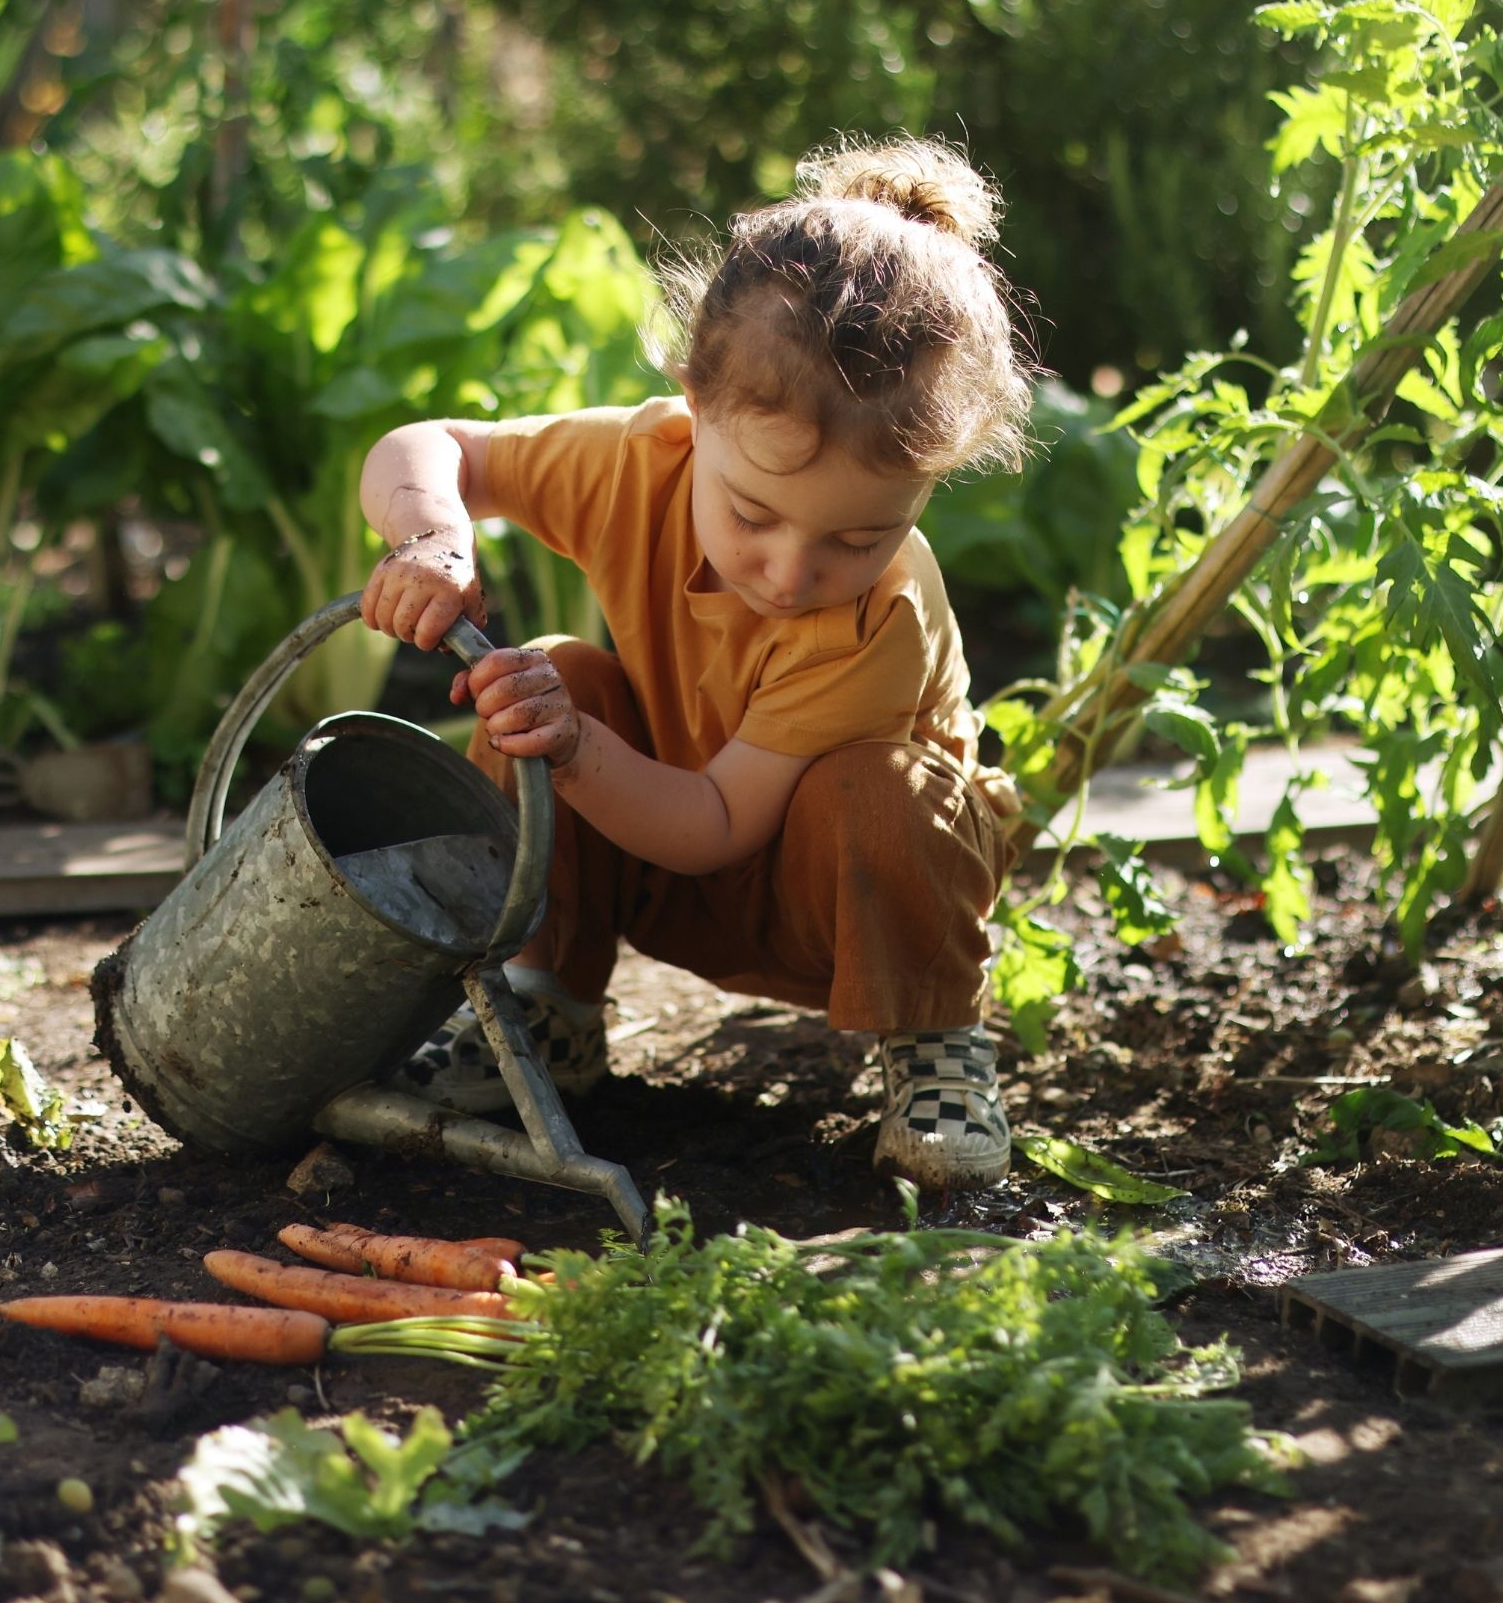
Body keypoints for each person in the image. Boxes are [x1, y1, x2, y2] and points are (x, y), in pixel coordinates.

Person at [357, 135, 1036, 1190]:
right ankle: (546, 1006)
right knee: (552, 673)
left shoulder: (877, 620)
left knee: (889, 791)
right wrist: (431, 542)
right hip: (658, 850)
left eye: (856, 537)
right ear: (692, 403)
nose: (791, 568)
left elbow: (718, 823)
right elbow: (431, 447)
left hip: (832, 904)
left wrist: (577, 749)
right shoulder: (638, 461)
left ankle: (934, 1042)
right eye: (752, 512)